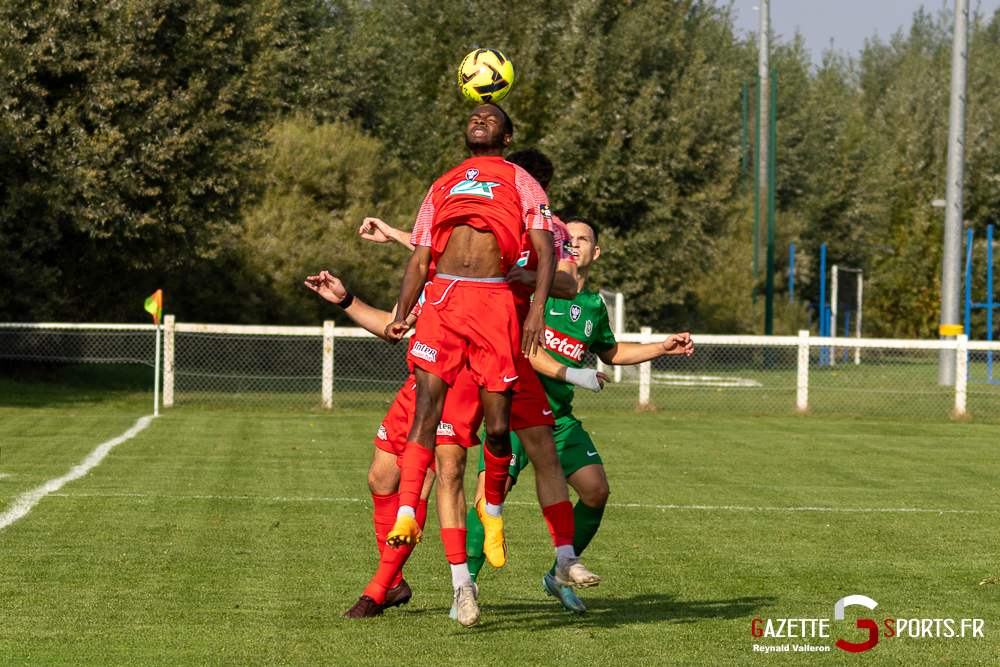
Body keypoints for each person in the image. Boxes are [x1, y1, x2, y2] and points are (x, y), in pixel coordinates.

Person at [465, 215, 694, 613]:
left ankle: (559, 572)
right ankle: (465, 586)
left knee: (596, 490)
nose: (572, 244)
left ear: (595, 251)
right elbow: (524, 351)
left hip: (560, 420)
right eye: (566, 238)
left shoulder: (592, 305)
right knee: (492, 495)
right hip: (518, 410)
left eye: (582, 239)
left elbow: (612, 353)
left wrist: (661, 347)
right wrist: (572, 373)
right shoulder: (542, 290)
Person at [303, 273, 483, 620]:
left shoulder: (484, 276)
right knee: (380, 479)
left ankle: (377, 590)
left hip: (458, 391)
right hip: (417, 386)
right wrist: (345, 300)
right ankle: (396, 583)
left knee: (419, 490)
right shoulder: (429, 276)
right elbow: (392, 327)